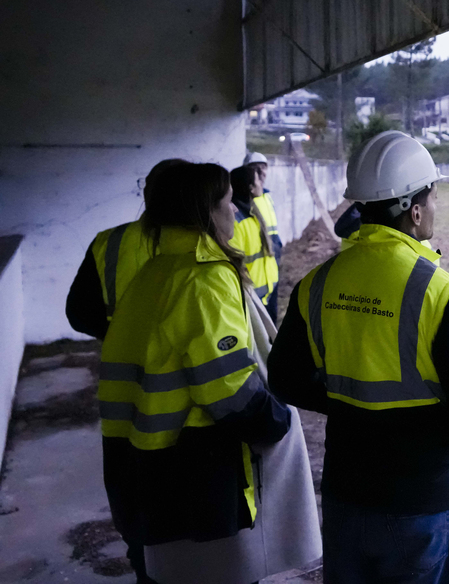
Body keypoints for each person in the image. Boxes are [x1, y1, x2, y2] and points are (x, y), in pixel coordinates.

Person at [268, 130, 449, 584]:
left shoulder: (315, 285)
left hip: (345, 497)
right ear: (414, 210)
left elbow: (284, 378)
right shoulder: (439, 293)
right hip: (419, 502)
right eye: (434, 197)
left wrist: (347, 398)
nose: (436, 208)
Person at [97, 162, 298, 583]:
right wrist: (278, 420)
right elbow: (228, 393)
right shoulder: (202, 280)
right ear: (207, 212)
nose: (235, 214)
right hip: (194, 474)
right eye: (228, 204)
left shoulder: (154, 272)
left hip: (140, 461)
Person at [66, 158, 188, 340]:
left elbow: (79, 315)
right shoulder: (209, 240)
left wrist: (119, 339)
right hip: (190, 361)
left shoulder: (109, 241)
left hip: (123, 359)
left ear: (147, 193)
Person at [230, 165, 280, 321]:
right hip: (253, 300)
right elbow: (236, 264)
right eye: (258, 179)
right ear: (250, 187)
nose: (261, 183)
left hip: (267, 291)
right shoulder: (236, 221)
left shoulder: (253, 212)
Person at [244, 152, 282, 264]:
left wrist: (278, 245)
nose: (261, 172)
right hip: (257, 257)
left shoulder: (267, 196)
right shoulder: (245, 199)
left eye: (263, 167)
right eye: (255, 168)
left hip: (273, 251)